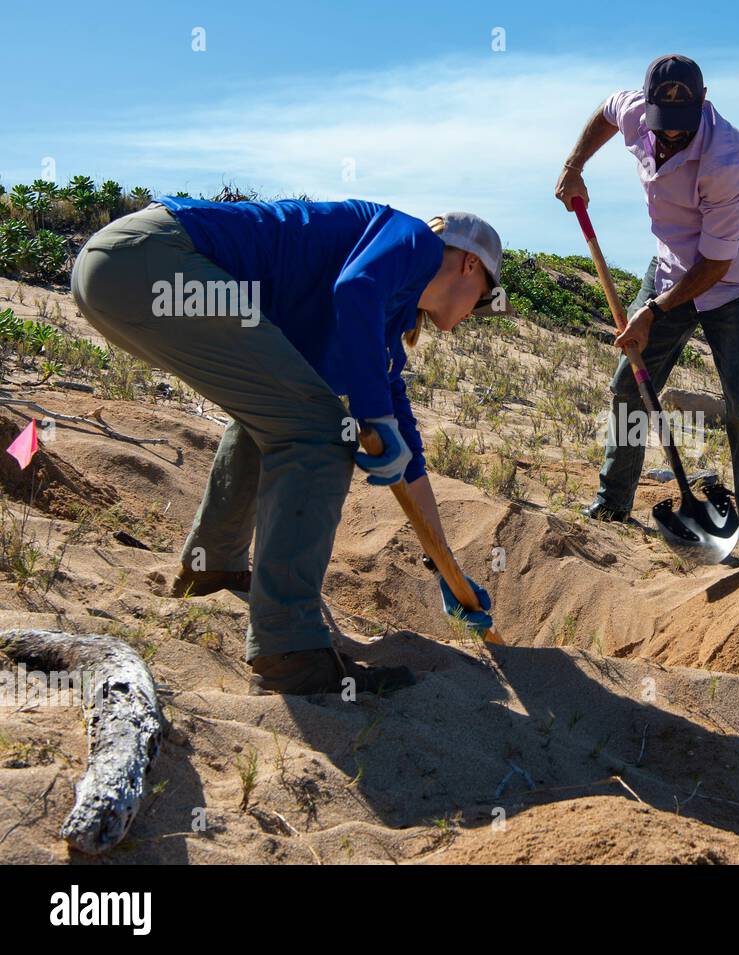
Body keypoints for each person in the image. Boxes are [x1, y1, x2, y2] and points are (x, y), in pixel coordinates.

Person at [71, 198, 501, 695]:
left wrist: (445, 566)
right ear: (470, 264)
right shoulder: (414, 241)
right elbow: (356, 287)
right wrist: (369, 412)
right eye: (485, 299)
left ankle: (212, 572)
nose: (478, 313)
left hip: (115, 270)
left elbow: (409, 456)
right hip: (152, 262)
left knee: (282, 416)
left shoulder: (384, 326)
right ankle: (291, 653)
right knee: (320, 434)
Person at [555, 53, 739, 564]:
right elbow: (608, 112)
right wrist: (574, 166)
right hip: (670, 267)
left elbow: (716, 264)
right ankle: (612, 505)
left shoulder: (731, 159)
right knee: (627, 384)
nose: (670, 136)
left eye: (681, 128)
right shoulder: (638, 111)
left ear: (703, 106)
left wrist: (653, 312)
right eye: (663, 124)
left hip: (735, 282)